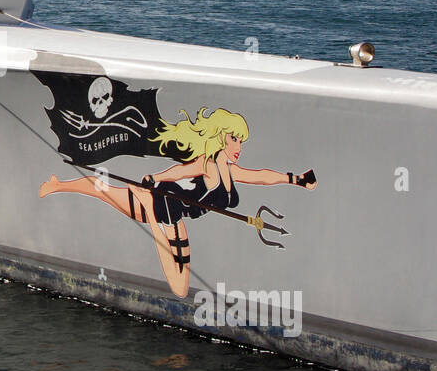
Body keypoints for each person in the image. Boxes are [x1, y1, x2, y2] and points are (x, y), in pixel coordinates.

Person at [40, 107, 316, 298]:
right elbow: (179, 172)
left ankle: (58, 184)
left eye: (240, 141)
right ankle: (57, 185)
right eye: (234, 139)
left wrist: (296, 179)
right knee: (100, 188)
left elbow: (261, 177)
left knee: (181, 286)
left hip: (172, 214)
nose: (238, 147)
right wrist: (152, 179)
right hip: (154, 205)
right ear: (220, 136)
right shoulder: (206, 164)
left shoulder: (229, 172)